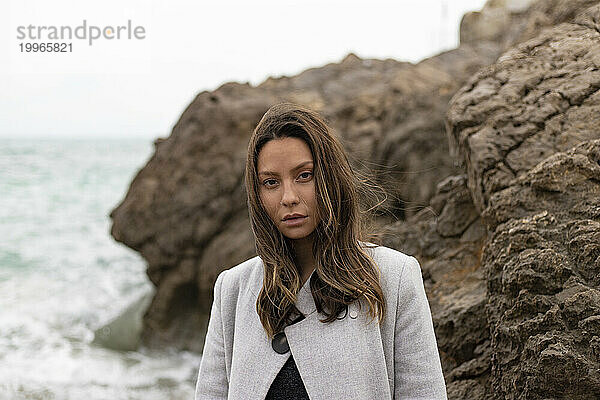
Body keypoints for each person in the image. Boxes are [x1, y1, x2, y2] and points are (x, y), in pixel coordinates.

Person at [195, 102, 447, 399]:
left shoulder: (394, 276)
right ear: (257, 192)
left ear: (329, 177)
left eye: (304, 175)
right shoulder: (233, 289)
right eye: (271, 182)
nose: (288, 197)